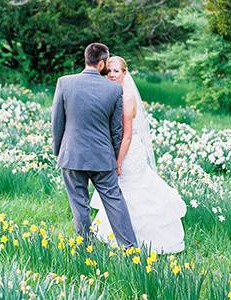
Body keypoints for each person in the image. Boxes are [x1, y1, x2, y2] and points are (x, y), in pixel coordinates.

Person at [90, 56, 187, 254]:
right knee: (118, 191)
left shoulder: (127, 96)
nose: (112, 74)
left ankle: (145, 239)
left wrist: (117, 162)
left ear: (124, 73)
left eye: (116, 71)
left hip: (128, 152)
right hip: (116, 149)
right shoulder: (111, 93)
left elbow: (126, 136)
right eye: (109, 71)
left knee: (132, 189)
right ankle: (117, 235)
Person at [51, 43, 137, 249]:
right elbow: (116, 131)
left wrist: (59, 151)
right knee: (114, 201)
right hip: (102, 157)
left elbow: (57, 122)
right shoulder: (114, 90)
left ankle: (86, 247)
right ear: (101, 63)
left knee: (79, 204)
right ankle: (130, 247)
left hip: (72, 155)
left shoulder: (64, 83)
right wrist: (116, 159)